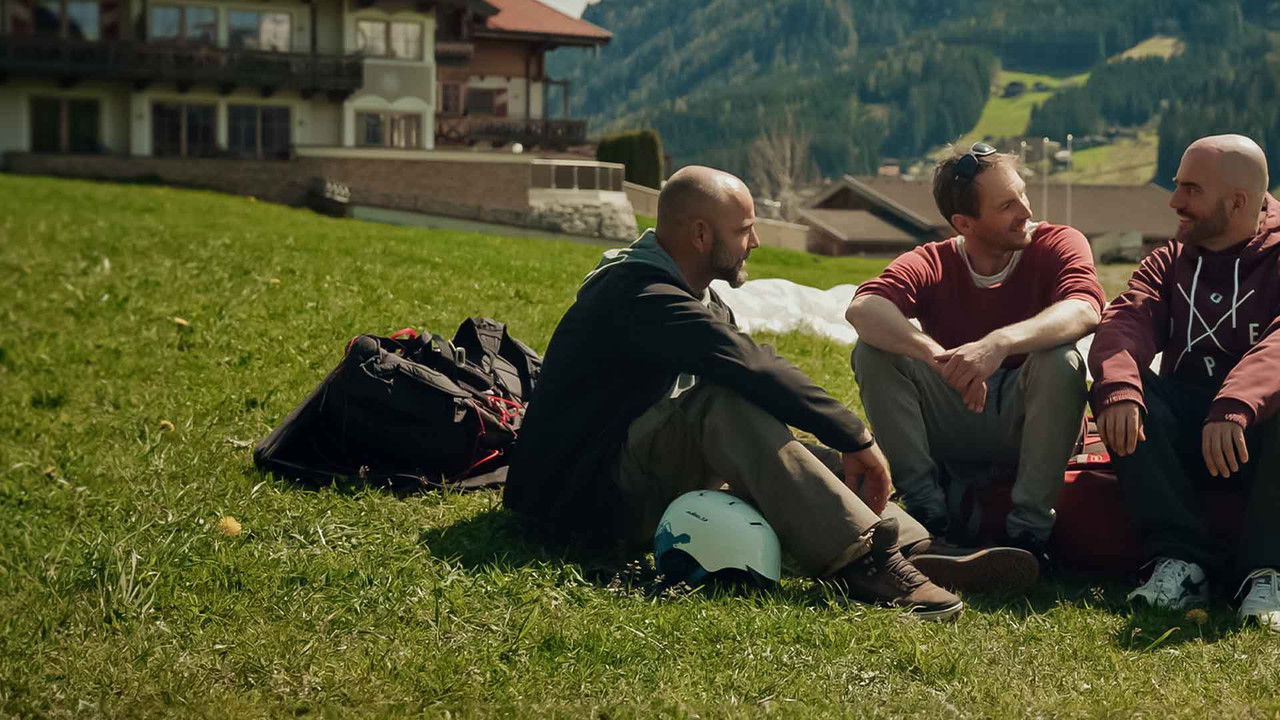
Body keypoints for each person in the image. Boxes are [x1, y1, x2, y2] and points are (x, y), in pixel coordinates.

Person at [505, 166, 1038, 619]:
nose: (755, 242)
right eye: (744, 229)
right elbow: (751, 367)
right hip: (582, 506)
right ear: (700, 235)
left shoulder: (692, 296)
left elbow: (752, 386)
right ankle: (865, 564)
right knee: (722, 406)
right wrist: (857, 436)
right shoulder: (640, 295)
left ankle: (915, 546)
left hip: (632, 477)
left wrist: (837, 451)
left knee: (802, 457)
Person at [845, 143, 1106, 564]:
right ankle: (928, 515)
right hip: (958, 413)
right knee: (873, 351)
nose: (1025, 210)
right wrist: (938, 358)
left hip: (1030, 418)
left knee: (1061, 359)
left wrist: (997, 345)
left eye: (1022, 194)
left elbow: (1085, 308)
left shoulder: (1059, 242)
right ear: (964, 223)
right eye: (1006, 205)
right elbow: (863, 308)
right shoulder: (932, 260)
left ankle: (1029, 535)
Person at [1088, 134, 1280, 628]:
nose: (1175, 201)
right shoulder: (1168, 261)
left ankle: (1267, 572)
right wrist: (1120, 389)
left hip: (1259, 438)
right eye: (1177, 186)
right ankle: (1181, 562)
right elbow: (1124, 323)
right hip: (1188, 436)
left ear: (1237, 201)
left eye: (1191, 189)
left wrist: (1236, 403)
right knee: (1126, 390)